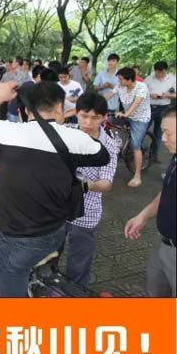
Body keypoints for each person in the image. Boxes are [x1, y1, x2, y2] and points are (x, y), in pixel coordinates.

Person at [0, 81, 110, 297]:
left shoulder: (4, 131)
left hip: (16, 239)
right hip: (55, 231)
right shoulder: (75, 138)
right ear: (59, 107)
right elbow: (102, 156)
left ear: (25, 108)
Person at [62, 93, 120, 287]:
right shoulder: (65, 133)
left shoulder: (109, 145)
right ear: (76, 113)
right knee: (47, 255)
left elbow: (106, 183)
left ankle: (76, 295)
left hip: (86, 213)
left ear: (104, 117)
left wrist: (86, 185)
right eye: (84, 116)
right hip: (57, 208)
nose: (88, 122)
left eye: (95, 118)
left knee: (79, 263)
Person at [124, 108, 176, 297]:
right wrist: (144, 215)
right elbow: (168, 191)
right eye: (163, 132)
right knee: (155, 292)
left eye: (169, 133)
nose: (164, 139)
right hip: (164, 243)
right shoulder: (175, 157)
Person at [108, 67, 151, 187]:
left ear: (130, 79)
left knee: (135, 145)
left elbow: (136, 103)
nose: (119, 81)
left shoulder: (142, 87)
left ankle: (137, 176)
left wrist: (126, 114)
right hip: (126, 114)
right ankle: (117, 144)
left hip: (140, 118)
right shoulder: (120, 86)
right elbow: (109, 94)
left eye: (121, 79)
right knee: (108, 124)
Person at [145, 61, 176, 162]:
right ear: (155, 71)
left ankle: (154, 154)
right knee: (143, 130)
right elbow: (141, 92)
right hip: (150, 107)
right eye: (158, 72)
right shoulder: (149, 79)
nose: (160, 74)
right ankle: (138, 151)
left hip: (164, 108)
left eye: (162, 72)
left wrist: (168, 95)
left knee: (158, 133)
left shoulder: (172, 79)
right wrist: (150, 95)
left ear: (166, 70)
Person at [94, 53, 120, 118]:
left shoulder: (120, 74)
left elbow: (123, 89)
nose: (110, 62)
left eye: (113, 61)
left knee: (111, 122)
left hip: (114, 105)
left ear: (117, 62)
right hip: (101, 104)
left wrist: (111, 86)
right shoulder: (101, 73)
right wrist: (103, 86)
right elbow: (95, 87)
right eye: (109, 60)